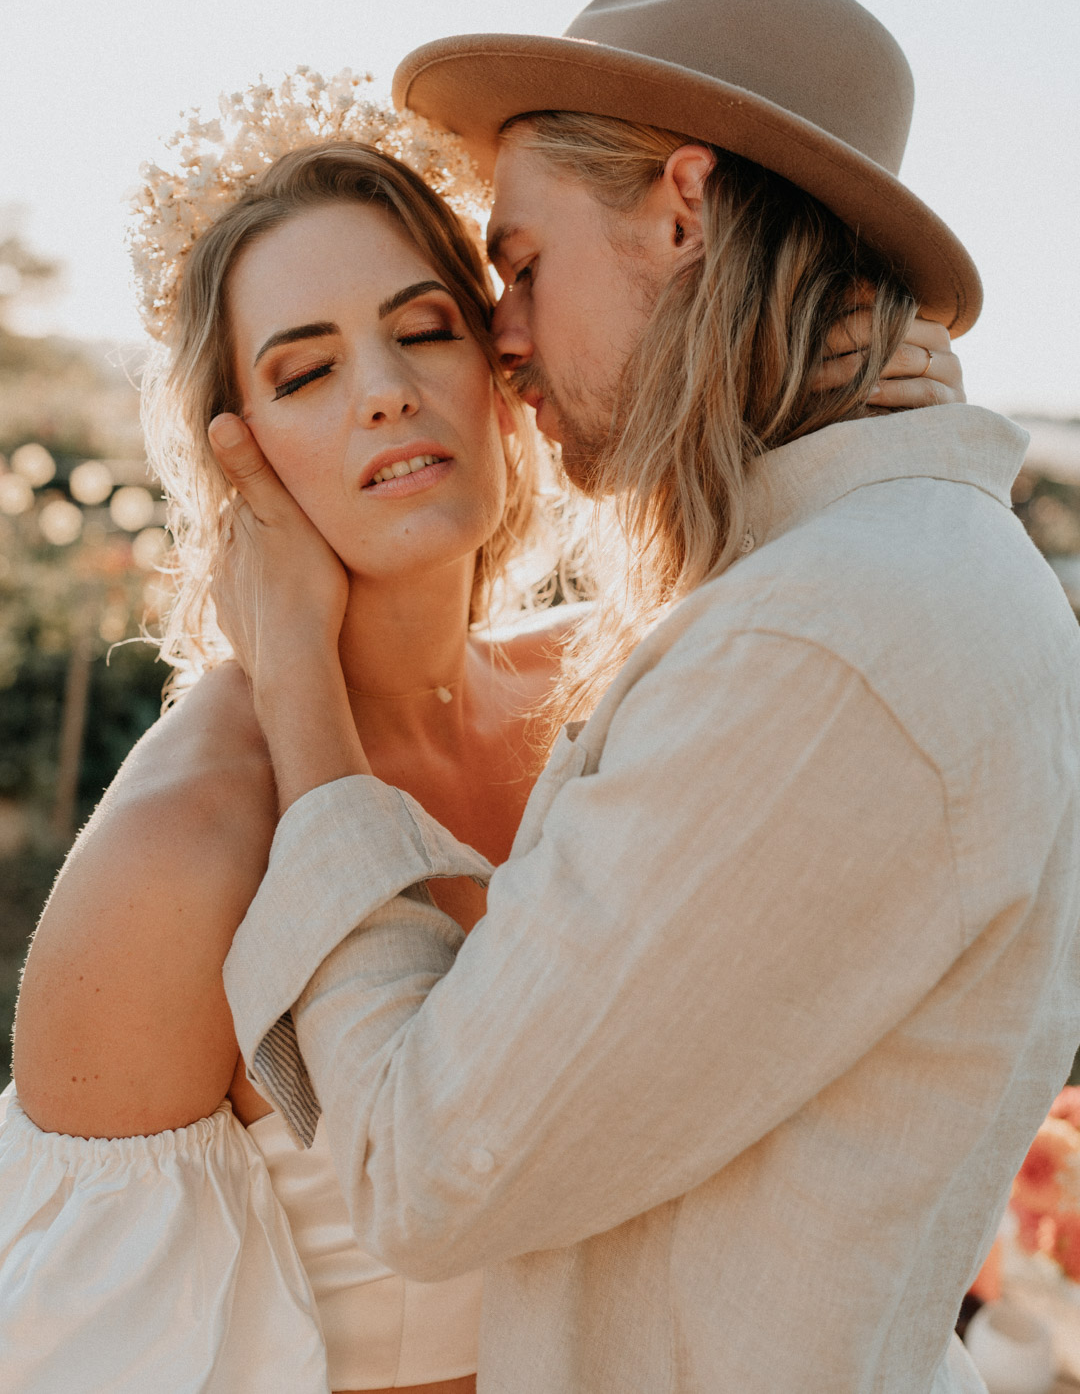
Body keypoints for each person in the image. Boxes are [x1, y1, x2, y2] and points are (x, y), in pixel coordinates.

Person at [208, 0, 1080, 1394]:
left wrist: (293, 674)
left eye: (523, 265)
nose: (500, 336)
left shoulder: (825, 642)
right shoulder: (879, 572)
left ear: (682, 212)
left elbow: (424, 1171)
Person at [0, 82, 954, 1394]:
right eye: (306, 371)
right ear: (237, 456)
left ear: (508, 372)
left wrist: (875, 401)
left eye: (422, 332)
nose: (385, 394)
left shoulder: (626, 684)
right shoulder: (176, 859)